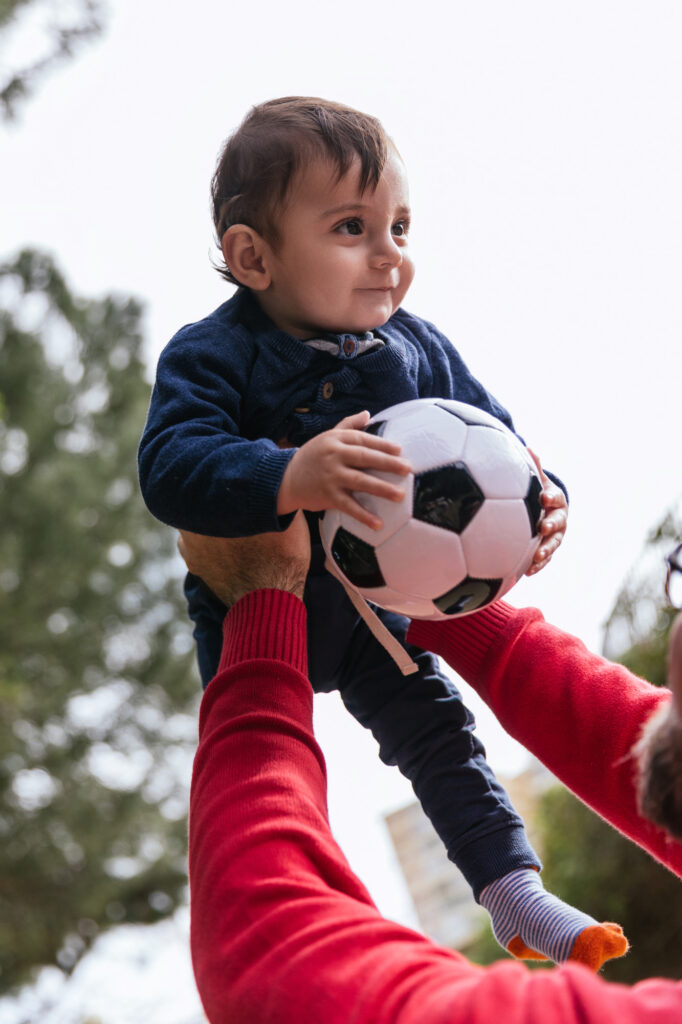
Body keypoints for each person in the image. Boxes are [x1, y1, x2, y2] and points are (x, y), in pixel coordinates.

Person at [138, 96, 624, 966]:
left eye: (400, 225)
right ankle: (309, 926)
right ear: (253, 257)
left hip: (384, 601)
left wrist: (544, 498)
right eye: (353, 227)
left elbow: (498, 442)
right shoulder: (211, 354)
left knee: (435, 730)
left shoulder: (417, 346)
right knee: (269, 769)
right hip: (255, 607)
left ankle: (514, 893)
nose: (389, 253)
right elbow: (170, 466)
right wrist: (288, 473)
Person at [182, 521, 682, 1024]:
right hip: (370, 585)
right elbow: (634, 740)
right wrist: (445, 567)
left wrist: (260, 612)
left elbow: (272, 959)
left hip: (317, 618)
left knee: (439, 736)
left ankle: (510, 890)